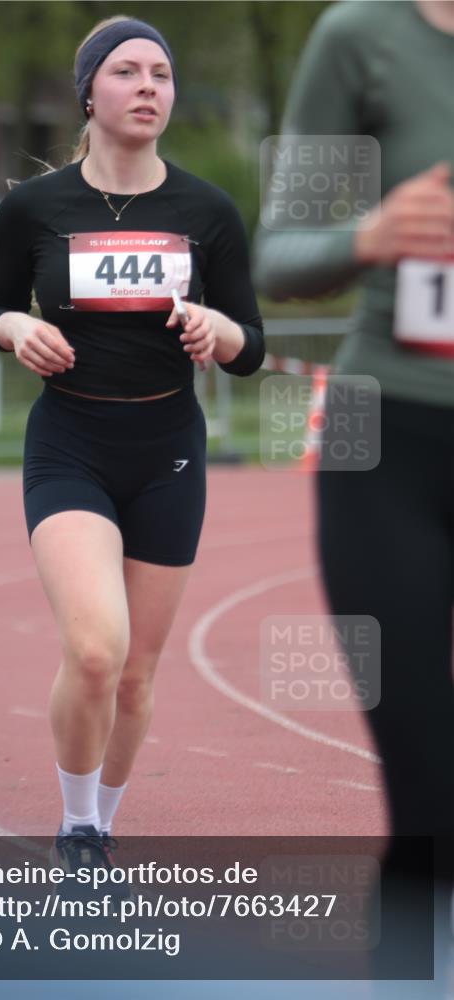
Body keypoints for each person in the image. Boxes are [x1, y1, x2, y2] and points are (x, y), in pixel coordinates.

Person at [0, 16, 264, 876]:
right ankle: (74, 824)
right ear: (89, 93)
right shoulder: (36, 206)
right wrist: (17, 325)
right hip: (71, 443)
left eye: (162, 74)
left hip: (168, 448)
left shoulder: (206, 211)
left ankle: (100, 821)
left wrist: (219, 330)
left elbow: (251, 345)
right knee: (96, 648)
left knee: (135, 673)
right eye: (128, 71)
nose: (148, 87)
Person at [253, 0, 454, 897]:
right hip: (393, 441)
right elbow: (277, 256)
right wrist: (367, 237)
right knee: (428, 812)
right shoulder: (361, 38)